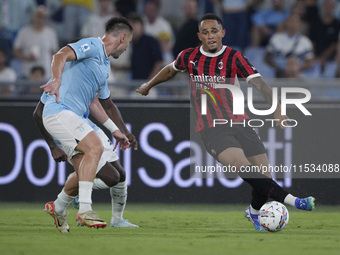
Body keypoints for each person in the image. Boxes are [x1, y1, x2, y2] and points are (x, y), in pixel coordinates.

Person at [136, 13, 315, 231]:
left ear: (223, 33)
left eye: (214, 31)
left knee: (264, 176)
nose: (210, 36)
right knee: (245, 167)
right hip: (212, 128)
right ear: (199, 36)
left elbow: (260, 85)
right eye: (205, 32)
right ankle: (295, 201)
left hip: (241, 123)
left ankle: (255, 212)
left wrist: (277, 109)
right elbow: (170, 70)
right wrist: (149, 84)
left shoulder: (234, 57)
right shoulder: (189, 57)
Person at [39, 17, 133, 229]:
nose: (127, 49)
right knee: (95, 148)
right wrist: (57, 79)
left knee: (88, 166)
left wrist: (115, 130)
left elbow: (93, 104)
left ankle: (59, 207)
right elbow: (60, 54)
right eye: (128, 43)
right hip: (58, 112)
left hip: (74, 118)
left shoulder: (104, 66)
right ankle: (84, 210)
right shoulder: (92, 45)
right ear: (123, 37)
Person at [33, 93, 139, 232]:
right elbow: (38, 113)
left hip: (88, 128)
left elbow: (100, 104)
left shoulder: (98, 73)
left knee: (121, 175)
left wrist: (121, 131)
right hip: (68, 131)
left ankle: (117, 219)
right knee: (112, 177)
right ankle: (78, 202)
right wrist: (53, 146)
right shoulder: (57, 81)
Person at [13, 5, 59, 79]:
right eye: (38, 16)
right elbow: (16, 51)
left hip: (45, 73)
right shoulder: (24, 32)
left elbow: (55, 52)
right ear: (33, 16)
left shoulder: (51, 33)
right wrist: (26, 57)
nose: (40, 19)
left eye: (43, 17)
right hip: (27, 72)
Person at [127, 13, 163, 80]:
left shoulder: (151, 41)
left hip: (150, 84)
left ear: (141, 25)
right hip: (135, 83)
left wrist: (149, 82)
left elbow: (158, 62)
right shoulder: (131, 44)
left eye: (134, 24)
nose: (132, 28)